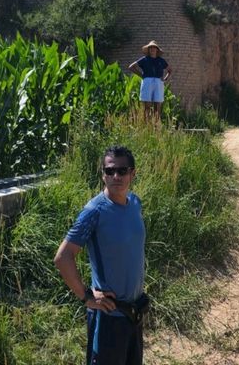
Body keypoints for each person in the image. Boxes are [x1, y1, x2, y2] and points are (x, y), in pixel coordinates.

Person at [54, 145, 147, 365]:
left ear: (132, 174)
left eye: (122, 171)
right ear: (102, 174)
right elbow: (63, 258)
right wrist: (86, 296)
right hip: (109, 319)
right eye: (109, 171)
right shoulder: (94, 211)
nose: (116, 176)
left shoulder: (135, 203)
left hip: (135, 313)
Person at [128, 40, 172, 121]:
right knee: (147, 105)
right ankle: (146, 126)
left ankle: (156, 125)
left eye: (154, 48)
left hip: (159, 82)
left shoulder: (161, 60)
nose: (152, 49)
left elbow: (170, 70)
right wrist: (141, 75)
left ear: (157, 50)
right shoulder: (144, 59)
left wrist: (165, 78)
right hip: (147, 81)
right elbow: (131, 67)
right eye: (150, 48)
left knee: (157, 105)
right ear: (148, 50)